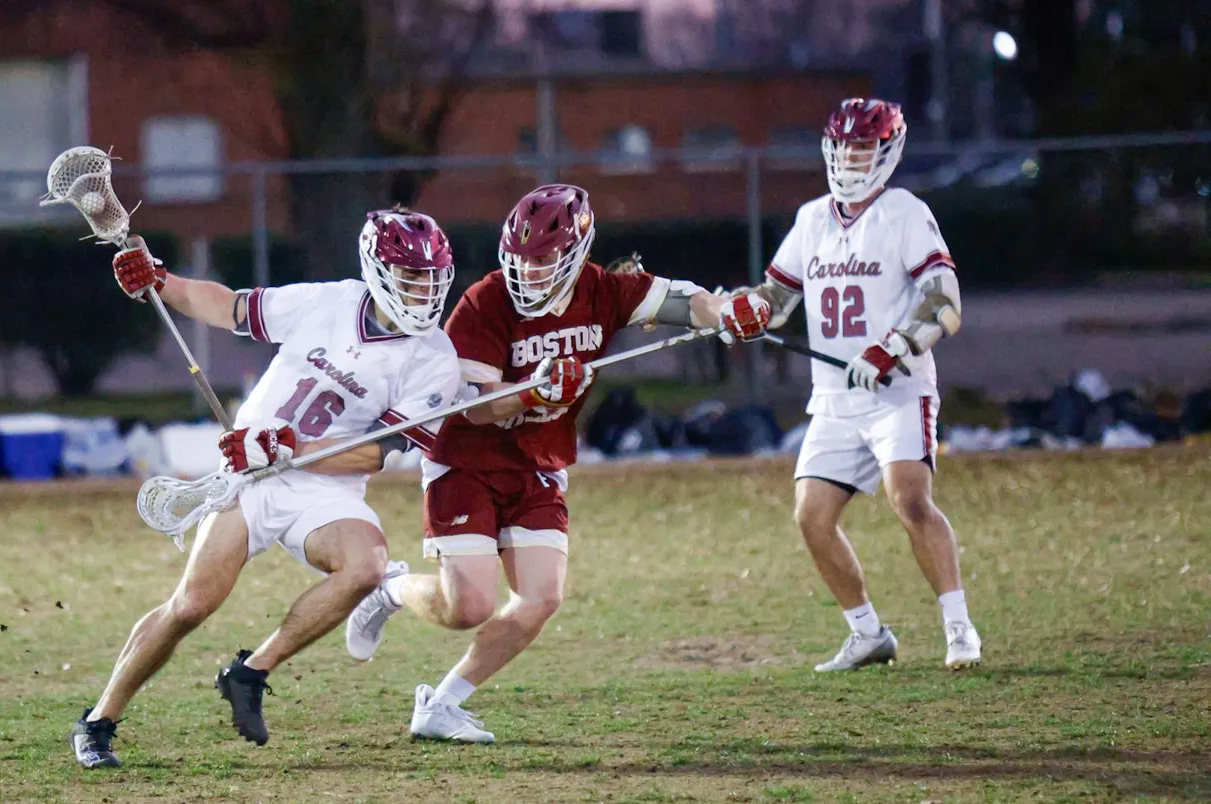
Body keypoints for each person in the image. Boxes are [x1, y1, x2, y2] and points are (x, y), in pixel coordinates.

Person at [71, 209, 461, 766]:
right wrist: (163, 282)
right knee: (191, 606)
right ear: (377, 272)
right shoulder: (331, 302)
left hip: (325, 484)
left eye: (432, 278)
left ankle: (251, 672)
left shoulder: (435, 360)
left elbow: (378, 453)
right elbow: (230, 307)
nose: (424, 291)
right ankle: (97, 721)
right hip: (250, 475)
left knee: (368, 565)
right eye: (411, 277)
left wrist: (289, 450)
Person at [344, 184, 733, 742]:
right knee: (468, 606)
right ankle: (390, 590)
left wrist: (732, 311)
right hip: (467, 460)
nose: (529, 272)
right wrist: (534, 390)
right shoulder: (484, 302)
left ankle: (443, 704)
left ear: (577, 253)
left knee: (541, 597)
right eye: (521, 260)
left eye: (545, 260)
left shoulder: (604, 289)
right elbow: (473, 409)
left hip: (537, 460)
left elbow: (686, 302)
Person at [718, 97, 982, 672]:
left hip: (898, 391)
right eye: (843, 147)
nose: (851, 158)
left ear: (888, 150)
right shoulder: (812, 218)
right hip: (835, 400)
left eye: (862, 147)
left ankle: (959, 627)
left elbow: (945, 301)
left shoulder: (905, 211)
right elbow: (778, 297)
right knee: (811, 515)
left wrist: (893, 345)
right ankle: (867, 633)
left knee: (909, 498)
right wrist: (747, 311)